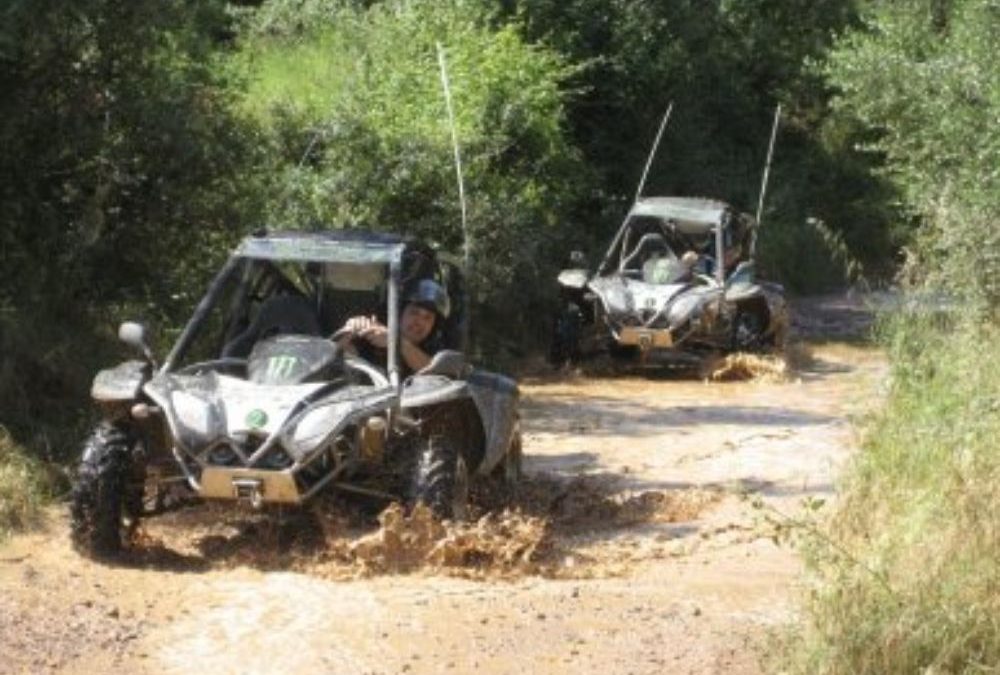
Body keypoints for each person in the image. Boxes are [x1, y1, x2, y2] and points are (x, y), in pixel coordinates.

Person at [337, 279, 450, 374]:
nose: (419, 321)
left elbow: (436, 374)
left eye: (427, 318)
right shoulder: (371, 340)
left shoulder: (436, 352)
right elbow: (328, 362)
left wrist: (394, 341)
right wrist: (349, 333)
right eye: (414, 312)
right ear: (399, 314)